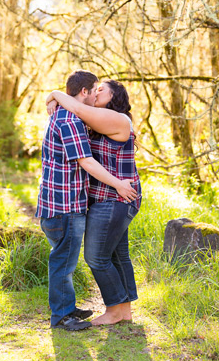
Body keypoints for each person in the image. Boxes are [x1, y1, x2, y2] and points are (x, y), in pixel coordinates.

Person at [36, 70, 138, 331]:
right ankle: (117, 310)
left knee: (96, 258)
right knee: (114, 254)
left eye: (102, 90)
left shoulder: (116, 119)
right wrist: (56, 96)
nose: (97, 93)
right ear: (85, 92)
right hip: (86, 200)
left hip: (117, 196)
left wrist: (56, 95)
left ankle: (115, 309)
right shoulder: (81, 121)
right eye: (95, 89)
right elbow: (83, 153)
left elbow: (85, 155)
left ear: (113, 97)